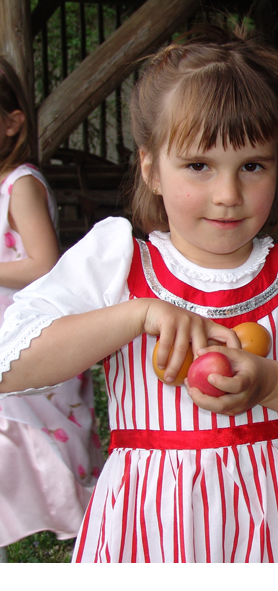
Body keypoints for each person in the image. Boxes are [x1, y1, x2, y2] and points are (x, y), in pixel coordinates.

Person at [0, 26, 278, 563]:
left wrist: (273, 381)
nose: (228, 195)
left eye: (253, 166)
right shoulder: (119, 264)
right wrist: (136, 314)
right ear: (151, 168)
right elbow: (13, 363)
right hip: (153, 528)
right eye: (198, 166)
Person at [0, 57, 103, 556]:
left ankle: (100, 534)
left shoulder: (18, 184)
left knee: (45, 453)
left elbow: (42, 263)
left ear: (11, 121)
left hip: (25, 345)